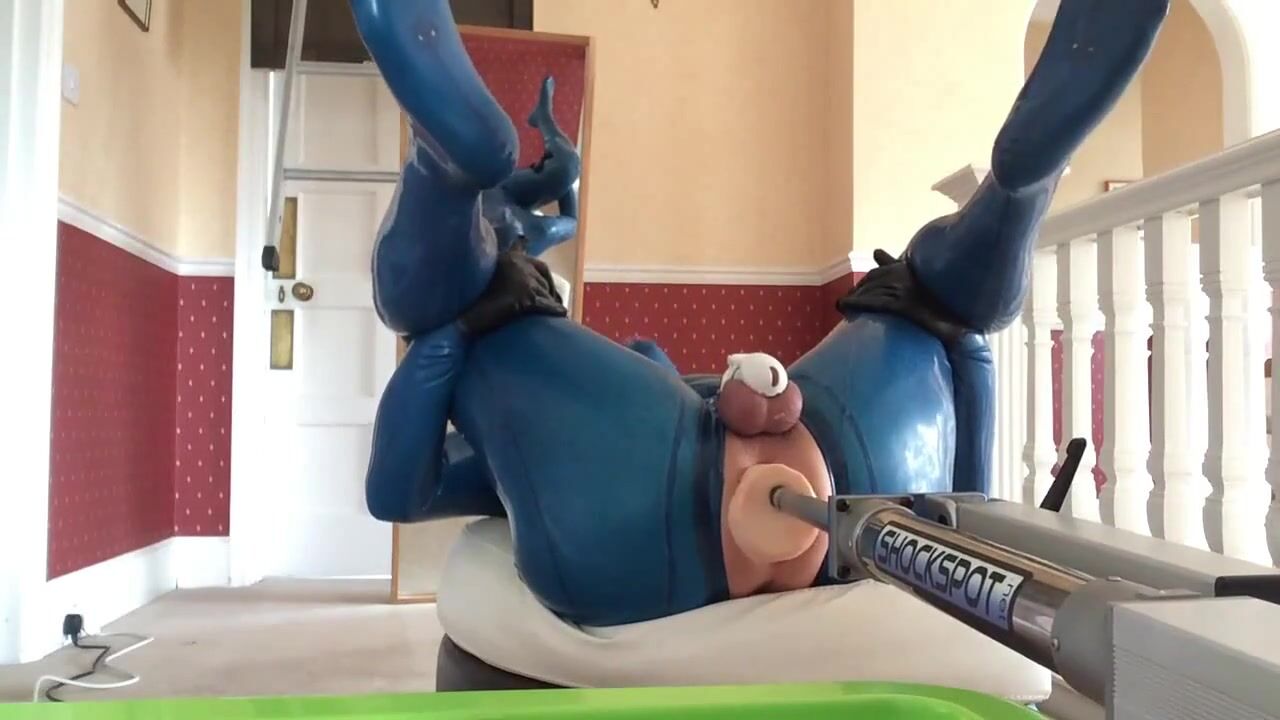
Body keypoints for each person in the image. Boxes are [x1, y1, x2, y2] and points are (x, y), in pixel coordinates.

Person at [351, 0, 1169, 627]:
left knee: (479, 317)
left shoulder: (542, 414)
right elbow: (969, 440)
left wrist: (448, 340)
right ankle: (1017, 196)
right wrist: (966, 365)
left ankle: (442, 170)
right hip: (862, 468)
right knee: (934, 304)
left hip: (639, 531)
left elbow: (398, 493)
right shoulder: (616, 387)